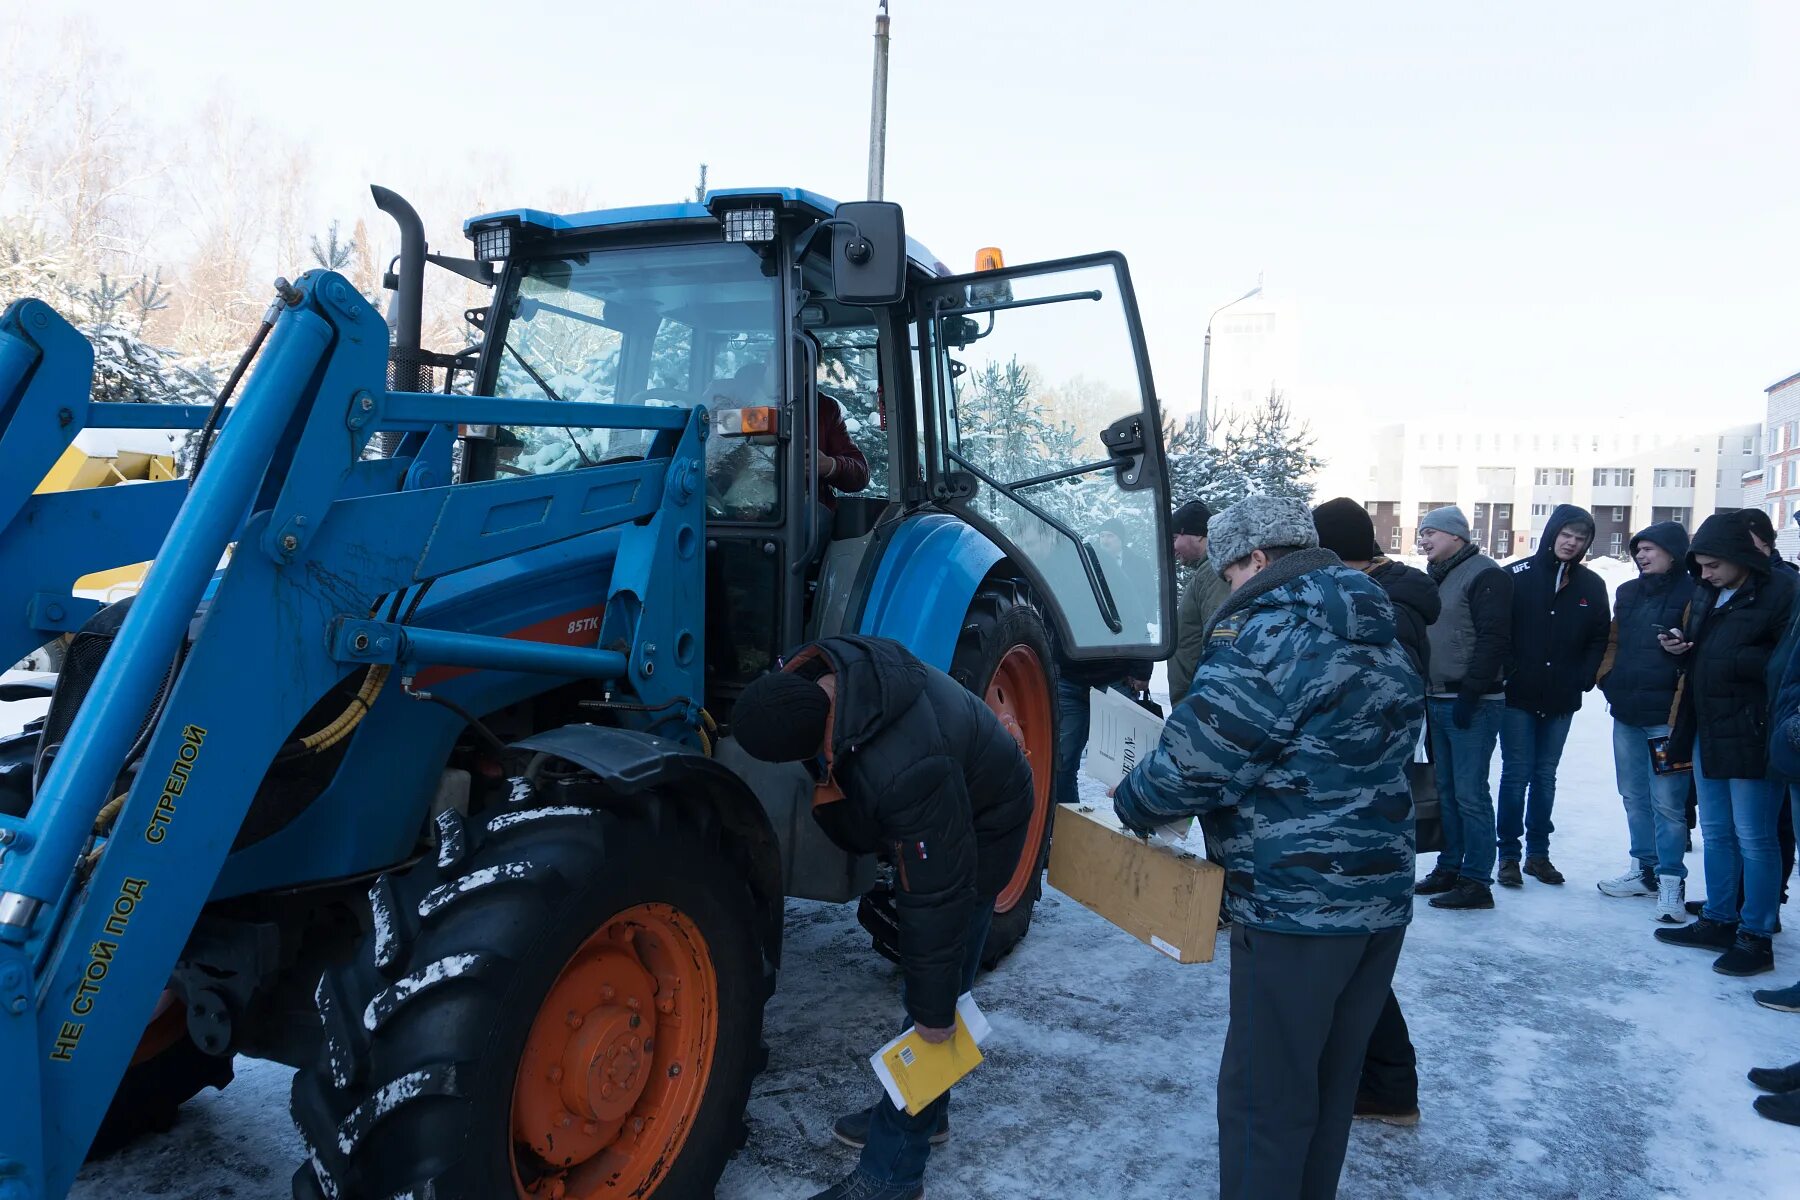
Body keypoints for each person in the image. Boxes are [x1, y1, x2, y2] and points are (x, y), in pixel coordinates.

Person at [1113, 496, 1423, 1200]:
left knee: (1267, 1101)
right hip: (1377, 899)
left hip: (1296, 904)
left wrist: (1132, 799)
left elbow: (1197, 761)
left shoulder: (1274, 630)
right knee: (1327, 1086)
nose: (1226, 588)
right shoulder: (1374, 624)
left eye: (1228, 572)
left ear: (1256, 559)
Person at [731, 635, 1034, 1200]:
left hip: (985, 824)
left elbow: (938, 898)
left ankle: (893, 1173)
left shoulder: (906, 771)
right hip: (952, 795)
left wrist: (933, 1012)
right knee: (934, 992)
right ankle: (928, 1112)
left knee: (935, 1004)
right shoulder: (832, 680)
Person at [1314, 496, 1439, 1128]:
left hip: (1359, 804)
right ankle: (1388, 1085)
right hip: (1369, 803)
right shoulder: (1388, 598)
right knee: (1355, 964)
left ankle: (1389, 1087)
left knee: (1352, 965)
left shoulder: (1380, 608)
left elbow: (1376, 710)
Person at [1653, 513, 1797, 977]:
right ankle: (1719, 917)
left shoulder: (1782, 590)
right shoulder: (1709, 592)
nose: (1706, 574)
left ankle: (1756, 934)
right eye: (1701, 566)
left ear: (1738, 557)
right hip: (1708, 726)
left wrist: (1721, 657)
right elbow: (1711, 647)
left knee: (1756, 837)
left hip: (1754, 730)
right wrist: (1682, 647)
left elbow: (1782, 662)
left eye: (1713, 565)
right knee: (1715, 831)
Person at [1494, 505, 1610, 887]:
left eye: (1580, 539)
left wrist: (1583, 677)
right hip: (1518, 696)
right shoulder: (1516, 576)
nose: (1571, 543)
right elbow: (1499, 630)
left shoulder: (1591, 585)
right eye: (1566, 535)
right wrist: (1509, 671)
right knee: (1515, 776)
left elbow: (1599, 636)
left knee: (1545, 776)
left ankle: (1538, 855)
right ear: (1552, 534)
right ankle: (1508, 854)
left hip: (1561, 697)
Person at [1594, 522, 1696, 921]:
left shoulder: (1694, 593)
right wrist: (1607, 676)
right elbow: (1614, 640)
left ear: (1673, 552)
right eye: (1639, 549)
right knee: (1633, 796)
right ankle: (1645, 871)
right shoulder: (1628, 592)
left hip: (1667, 720)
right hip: (1626, 713)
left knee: (1669, 805)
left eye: (1651, 549)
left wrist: (1682, 649)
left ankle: (1672, 882)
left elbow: (1699, 649)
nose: (1642, 556)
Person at [1414, 506, 1512, 911]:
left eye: (1430, 532)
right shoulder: (1438, 576)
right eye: (1421, 533)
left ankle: (1477, 880)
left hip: (1473, 701)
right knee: (1448, 791)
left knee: (1471, 794)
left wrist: (1472, 692)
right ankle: (1450, 866)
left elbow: (1494, 639)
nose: (1423, 539)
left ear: (1456, 535)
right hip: (1437, 698)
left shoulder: (1486, 574)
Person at [1052, 520, 1154, 807]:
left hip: (1115, 678)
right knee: (1061, 763)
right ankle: (1066, 827)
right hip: (1069, 679)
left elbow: (1136, 617)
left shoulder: (1101, 569)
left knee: (1128, 766)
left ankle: (1136, 835)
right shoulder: (1043, 571)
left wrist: (1142, 669)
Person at [1169, 499, 1232, 702]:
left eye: (1175, 537)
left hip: (1200, 701)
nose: (1173, 547)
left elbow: (1219, 642)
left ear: (1197, 534)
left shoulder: (1213, 574)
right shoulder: (1205, 573)